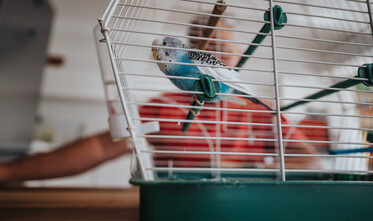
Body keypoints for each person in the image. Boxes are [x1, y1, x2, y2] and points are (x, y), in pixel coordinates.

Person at [0, 20, 320, 183]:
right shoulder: (166, 106)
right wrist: (7, 174)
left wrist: (245, 168)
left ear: (237, 53)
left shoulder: (261, 111)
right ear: (192, 54)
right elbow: (101, 147)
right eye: (209, 48)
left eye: (225, 47)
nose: (218, 56)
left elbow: (309, 161)